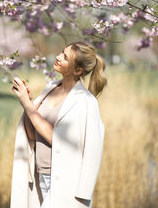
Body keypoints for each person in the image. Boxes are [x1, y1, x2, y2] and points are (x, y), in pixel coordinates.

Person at [10, 41, 107, 208]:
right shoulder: (50, 89)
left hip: (65, 183)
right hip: (41, 176)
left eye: (65, 57)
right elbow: (33, 134)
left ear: (78, 71)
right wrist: (29, 103)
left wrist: (27, 104)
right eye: (62, 52)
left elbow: (59, 138)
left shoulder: (86, 102)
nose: (57, 57)